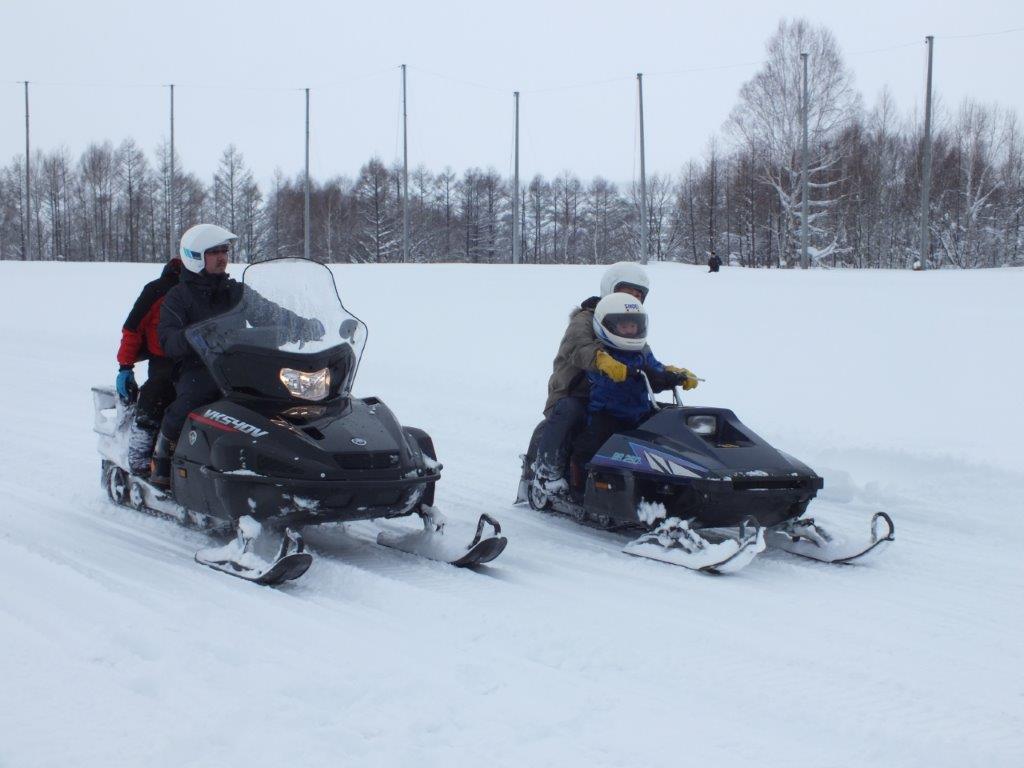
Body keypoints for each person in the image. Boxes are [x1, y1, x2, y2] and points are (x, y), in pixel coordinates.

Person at [151, 224, 323, 487]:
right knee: (192, 398)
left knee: (289, 397)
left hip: (242, 364)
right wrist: (195, 337)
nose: (222, 257)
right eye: (214, 252)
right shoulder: (178, 297)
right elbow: (168, 340)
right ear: (195, 256)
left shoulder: (236, 291)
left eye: (224, 251)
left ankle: (297, 460)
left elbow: (270, 313)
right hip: (199, 367)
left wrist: (304, 325)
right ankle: (162, 457)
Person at [532, 261, 651, 493]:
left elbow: (644, 354)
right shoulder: (585, 319)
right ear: (611, 289)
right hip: (576, 392)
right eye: (627, 292)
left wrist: (666, 373)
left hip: (613, 394)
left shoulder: (631, 324)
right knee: (571, 410)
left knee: (652, 414)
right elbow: (578, 347)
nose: (632, 299)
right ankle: (546, 474)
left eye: (638, 295)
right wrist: (602, 360)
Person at [568, 292, 698, 498]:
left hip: (639, 413)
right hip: (607, 414)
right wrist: (608, 366)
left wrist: (676, 375)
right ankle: (579, 489)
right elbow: (597, 374)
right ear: (609, 327)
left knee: (666, 441)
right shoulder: (602, 353)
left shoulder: (642, 353)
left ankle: (664, 489)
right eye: (624, 326)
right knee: (590, 446)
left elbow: (655, 370)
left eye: (633, 326)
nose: (629, 331)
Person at [115, 257, 183, 475]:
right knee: (156, 395)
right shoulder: (157, 290)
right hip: (163, 359)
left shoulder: (205, 289)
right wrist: (125, 366)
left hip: (201, 358)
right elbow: (132, 328)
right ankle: (139, 451)